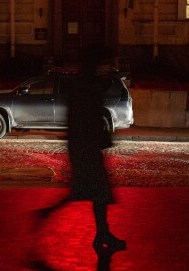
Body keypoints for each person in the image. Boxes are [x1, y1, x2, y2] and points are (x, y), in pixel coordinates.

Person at [37, 46, 126, 252]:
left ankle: (102, 234)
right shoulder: (89, 86)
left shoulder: (82, 85)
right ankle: (100, 234)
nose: (105, 69)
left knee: (92, 192)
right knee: (96, 192)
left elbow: (78, 119)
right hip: (87, 148)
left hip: (83, 147)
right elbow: (87, 118)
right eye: (102, 65)